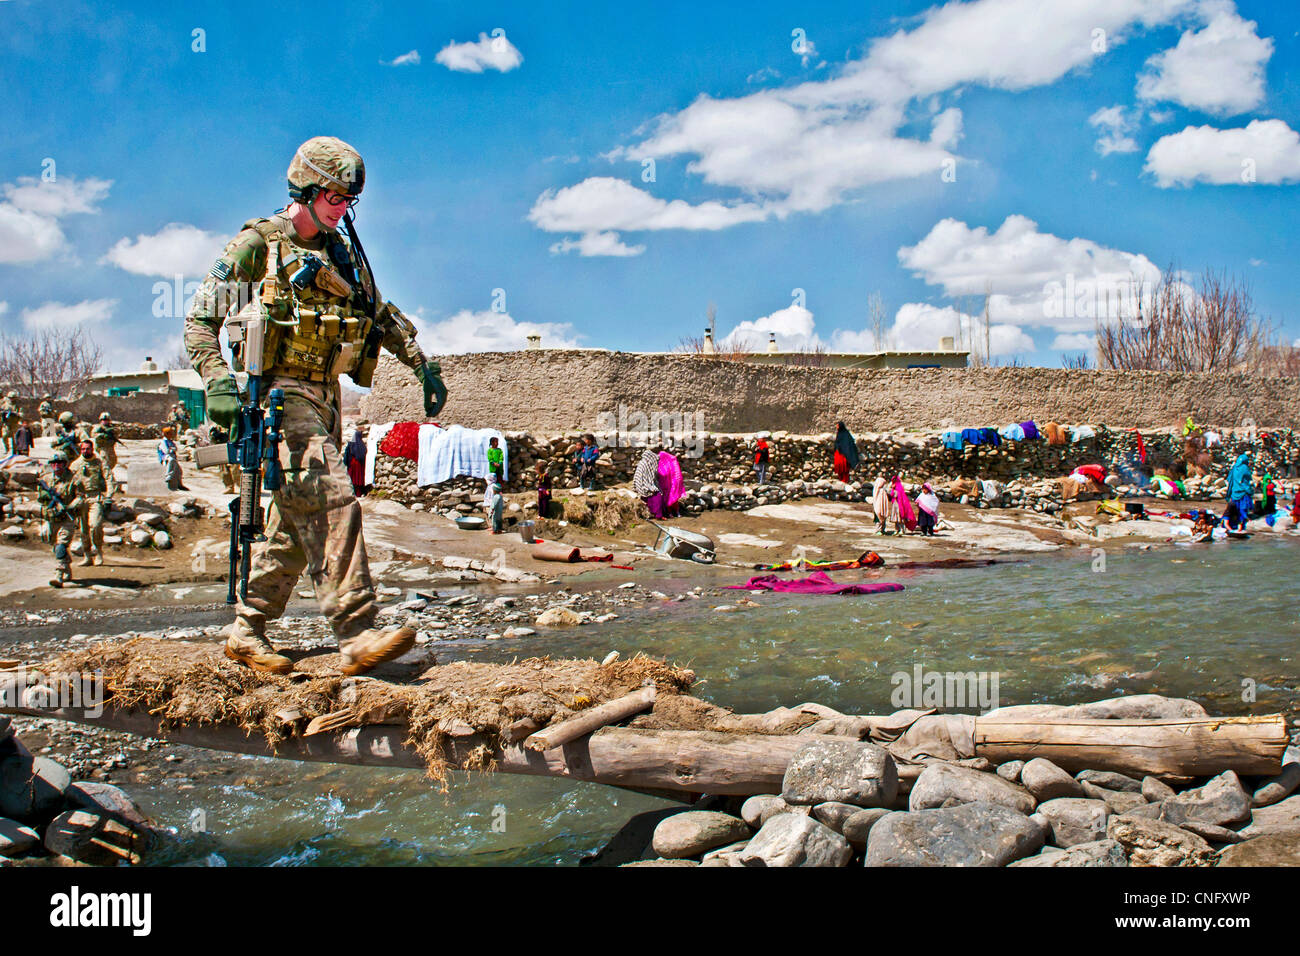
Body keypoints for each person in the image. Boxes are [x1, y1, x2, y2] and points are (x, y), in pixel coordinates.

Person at [184, 135, 447, 675]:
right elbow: (200, 319)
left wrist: (421, 362)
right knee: (331, 496)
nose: (342, 208)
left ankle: (247, 631)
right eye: (333, 197)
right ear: (304, 188)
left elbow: (376, 312)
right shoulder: (259, 245)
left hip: (330, 396)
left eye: (349, 200)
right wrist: (216, 381)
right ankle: (356, 630)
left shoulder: (341, 251)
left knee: (292, 527)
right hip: (281, 396)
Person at [38, 451, 84, 589]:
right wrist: (48, 496)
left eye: (59, 463)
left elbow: (80, 497)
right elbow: (41, 498)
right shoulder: (46, 479)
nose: (56, 466)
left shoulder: (74, 479)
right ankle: (67, 566)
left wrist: (69, 507)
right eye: (54, 463)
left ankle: (58, 575)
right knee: (54, 545)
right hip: (51, 518)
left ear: (65, 464)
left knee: (61, 545)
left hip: (66, 519)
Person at [71, 439, 108, 566]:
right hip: (81, 499)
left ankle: (98, 552)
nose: (85, 451)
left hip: (95, 497)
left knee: (96, 525)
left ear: (92, 449)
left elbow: (109, 477)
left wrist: (109, 496)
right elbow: (69, 483)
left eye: (87, 448)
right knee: (83, 529)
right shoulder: (75, 465)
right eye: (83, 449)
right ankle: (87, 555)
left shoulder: (99, 463)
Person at [92, 412, 122, 496]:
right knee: (106, 469)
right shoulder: (98, 428)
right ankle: (112, 489)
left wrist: (110, 432)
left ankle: (105, 484)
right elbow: (95, 435)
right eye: (103, 420)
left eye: (106, 420)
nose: (105, 421)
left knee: (111, 464)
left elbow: (117, 432)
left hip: (111, 450)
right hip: (103, 450)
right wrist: (103, 435)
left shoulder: (112, 428)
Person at [1225, 452, 1253, 531]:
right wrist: (1250, 491)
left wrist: (1228, 494)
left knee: (1234, 510)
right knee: (1243, 510)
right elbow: (1247, 481)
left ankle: (1232, 526)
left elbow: (1230, 480)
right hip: (1243, 493)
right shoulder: (1245, 468)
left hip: (1234, 493)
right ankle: (1241, 527)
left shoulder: (1234, 468)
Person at [342, 425, 368, 497]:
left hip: (352, 465)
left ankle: (352, 493)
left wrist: (345, 463)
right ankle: (359, 493)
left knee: (352, 479)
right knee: (359, 479)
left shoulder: (351, 444)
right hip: (360, 465)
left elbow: (347, 454)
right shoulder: (362, 445)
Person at [157, 425, 186, 490]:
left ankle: (180, 485)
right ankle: (168, 476)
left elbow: (175, 448)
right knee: (171, 460)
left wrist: (172, 449)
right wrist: (172, 449)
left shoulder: (170, 441)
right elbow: (166, 451)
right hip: (165, 457)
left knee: (179, 471)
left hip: (172, 456)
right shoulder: (163, 442)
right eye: (171, 433)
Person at [0, 391, 18, 455]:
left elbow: (21, 414)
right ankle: (7, 449)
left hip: (14, 423)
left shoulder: (17, 405)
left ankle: (15, 451)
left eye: (13, 398)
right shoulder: (5, 404)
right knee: (4, 436)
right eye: (10, 398)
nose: (12, 399)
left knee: (15, 438)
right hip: (6, 423)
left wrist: (15, 414)